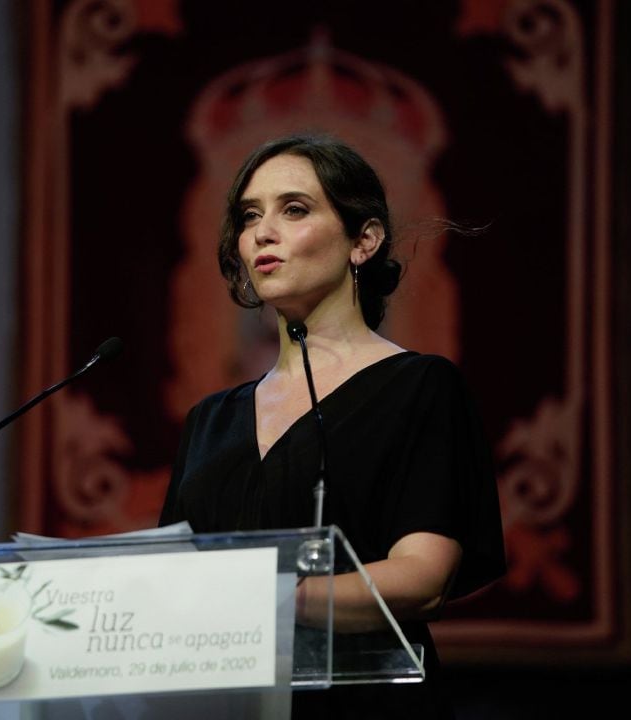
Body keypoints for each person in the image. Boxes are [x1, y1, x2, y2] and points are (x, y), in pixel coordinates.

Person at [160, 134, 505, 718]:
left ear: (363, 241)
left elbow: (423, 577)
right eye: (250, 216)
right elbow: (169, 587)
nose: (262, 233)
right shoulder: (210, 421)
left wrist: (265, 601)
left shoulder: (419, 388)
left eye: (293, 209)